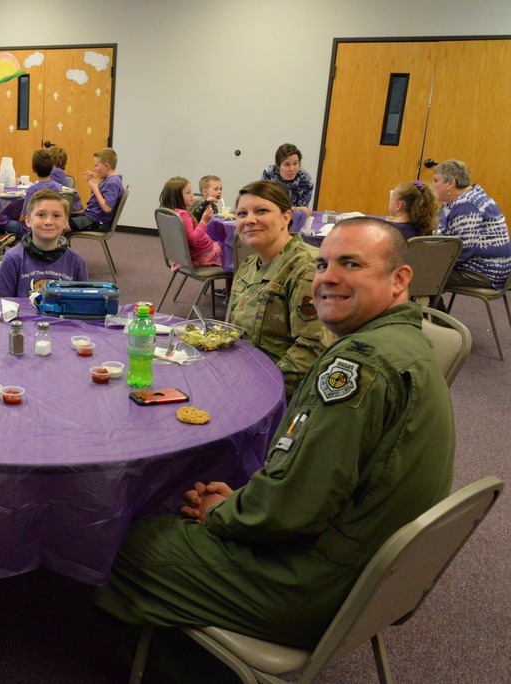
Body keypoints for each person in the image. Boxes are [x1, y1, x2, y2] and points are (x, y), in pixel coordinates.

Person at [95, 218, 455, 651]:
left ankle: (148, 652)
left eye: (351, 264)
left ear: (399, 280)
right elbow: (311, 485)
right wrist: (243, 502)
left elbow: (295, 506)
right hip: (372, 574)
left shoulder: (360, 369)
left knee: (125, 537)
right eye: (322, 265)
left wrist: (223, 513)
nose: (327, 278)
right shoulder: (404, 343)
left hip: (312, 587)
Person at [227, 180, 332, 399]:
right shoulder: (248, 266)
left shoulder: (307, 268)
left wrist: (255, 389)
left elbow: (310, 352)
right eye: (241, 214)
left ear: (286, 217)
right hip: (240, 374)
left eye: (261, 211)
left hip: (277, 392)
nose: (249, 220)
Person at [0, 190, 88, 297]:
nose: (48, 222)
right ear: (28, 221)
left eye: (56, 216)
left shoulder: (76, 261)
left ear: (65, 222)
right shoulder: (13, 258)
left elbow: (82, 303)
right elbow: (3, 305)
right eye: (41, 215)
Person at [432, 159, 511, 291]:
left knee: (421, 275)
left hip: (485, 272)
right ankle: (431, 310)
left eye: (435, 180)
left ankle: (432, 311)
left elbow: (462, 249)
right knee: (421, 272)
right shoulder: (458, 200)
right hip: (481, 266)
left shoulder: (467, 204)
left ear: (451, 183)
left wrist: (432, 262)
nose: (432, 185)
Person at [0, 149, 63, 242]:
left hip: (29, 229)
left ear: (33, 169)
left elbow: (23, 218)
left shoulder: (33, 190)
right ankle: (8, 238)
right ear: (52, 168)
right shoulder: (58, 187)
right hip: (50, 225)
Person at [159, 176, 222, 266]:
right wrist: (204, 221)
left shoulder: (169, 212)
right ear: (177, 196)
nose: (192, 195)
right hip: (203, 255)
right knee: (231, 251)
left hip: (192, 254)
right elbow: (192, 239)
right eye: (188, 193)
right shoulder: (183, 215)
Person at [69, 147, 124, 233]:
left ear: (106, 166)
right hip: (92, 216)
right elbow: (98, 199)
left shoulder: (113, 182)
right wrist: (92, 184)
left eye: (96, 165)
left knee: (59, 225)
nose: (94, 169)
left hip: (96, 221)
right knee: (61, 219)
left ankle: (60, 246)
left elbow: (107, 208)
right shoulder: (108, 179)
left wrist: (95, 189)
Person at [261, 143, 313, 213]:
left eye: (295, 163)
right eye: (287, 164)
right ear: (278, 166)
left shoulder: (305, 180)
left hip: (293, 215)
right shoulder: (269, 173)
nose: (292, 169)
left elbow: (301, 209)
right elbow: (263, 199)